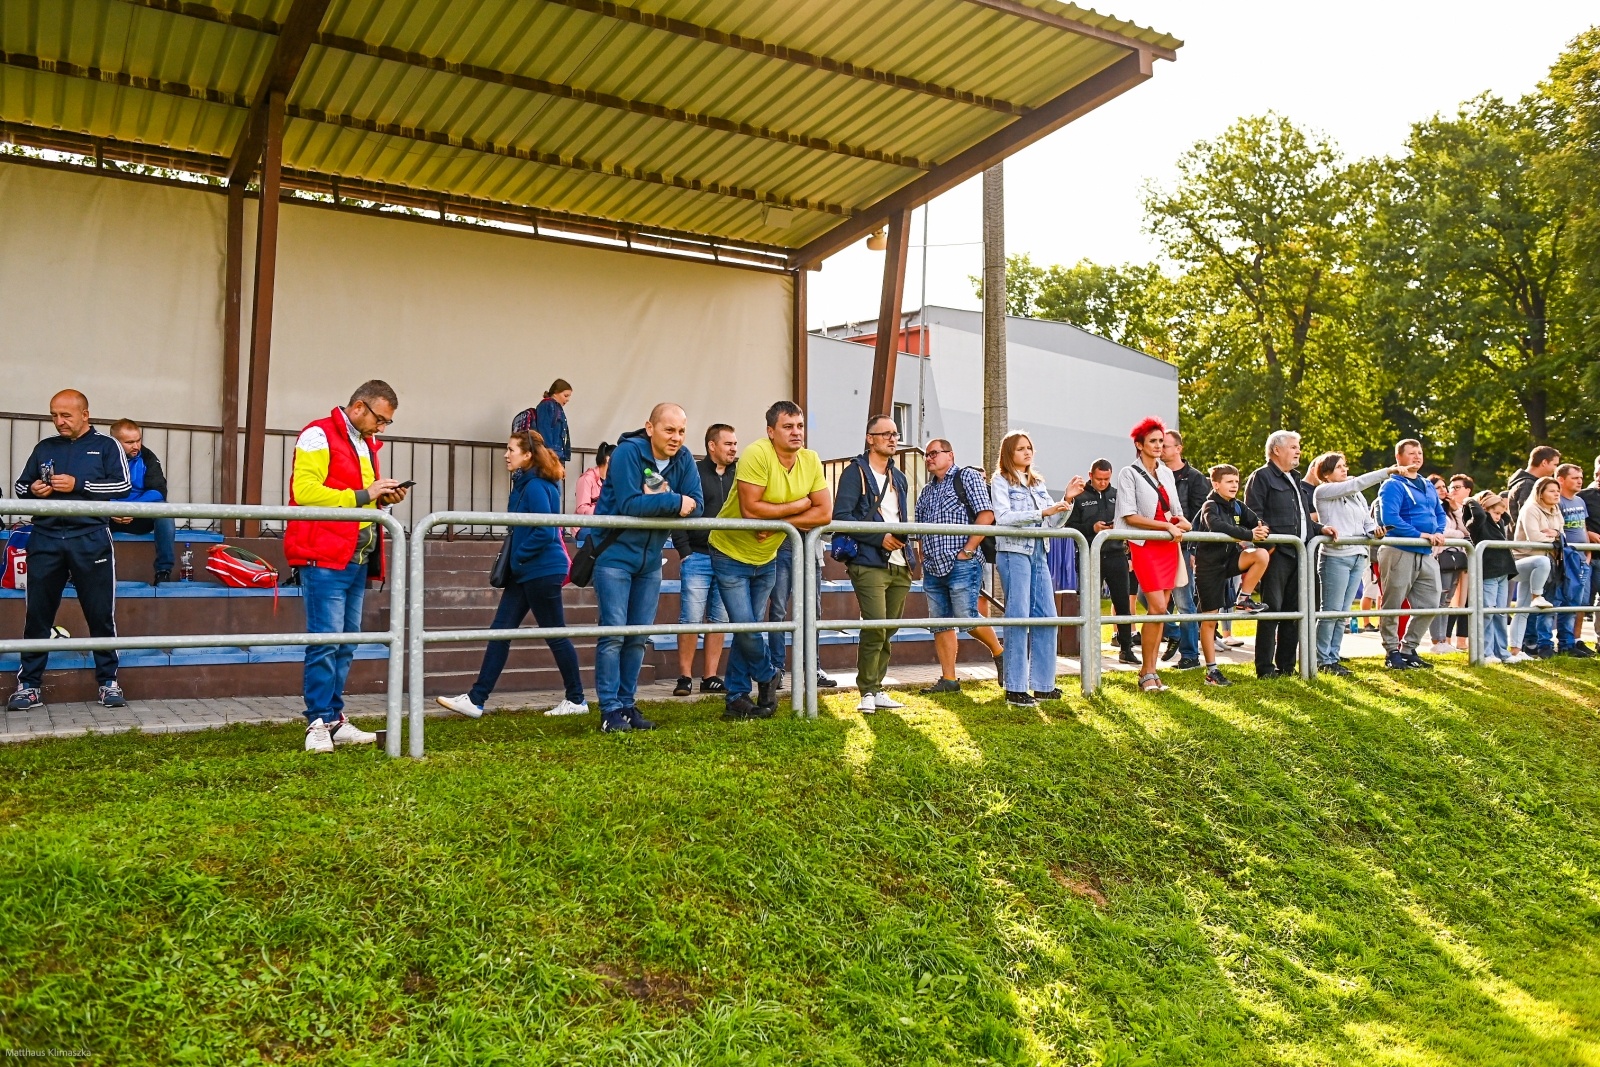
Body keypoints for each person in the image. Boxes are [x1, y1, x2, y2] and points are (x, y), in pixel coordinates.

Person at [285, 380, 407, 752]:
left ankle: (333, 717)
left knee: (345, 642)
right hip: (324, 555)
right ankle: (317, 722)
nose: (382, 428)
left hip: (357, 556)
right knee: (326, 642)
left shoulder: (364, 443)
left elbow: (360, 501)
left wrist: (383, 499)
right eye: (381, 420)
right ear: (359, 407)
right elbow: (304, 492)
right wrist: (364, 495)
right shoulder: (316, 434)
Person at [436, 430, 588, 720]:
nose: (506, 454)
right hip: (527, 571)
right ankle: (476, 699)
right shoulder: (528, 484)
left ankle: (577, 698)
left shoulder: (534, 486)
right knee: (501, 632)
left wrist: (518, 556)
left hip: (539, 570)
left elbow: (544, 530)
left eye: (511, 450)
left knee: (555, 634)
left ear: (528, 455)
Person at [7, 389, 132, 713]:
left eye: (66, 415)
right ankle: (29, 686)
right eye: (54, 415)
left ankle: (108, 682)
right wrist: (33, 490)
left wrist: (79, 484)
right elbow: (21, 486)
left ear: (85, 415)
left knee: (100, 613)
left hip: (90, 536)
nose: (59, 421)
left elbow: (122, 486)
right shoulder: (44, 447)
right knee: (37, 615)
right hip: (45, 536)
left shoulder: (107, 446)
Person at [710, 401, 832, 719]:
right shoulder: (757, 453)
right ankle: (768, 674)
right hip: (730, 553)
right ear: (770, 431)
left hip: (767, 556)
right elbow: (752, 509)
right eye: (788, 426)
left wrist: (782, 522)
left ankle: (737, 698)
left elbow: (825, 512)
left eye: (800, 426)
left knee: (747, 628)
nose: (796, 432)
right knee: (746, 625)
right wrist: (801, 505)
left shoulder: (810, 459)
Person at [587, 403, 703, 733]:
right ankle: (609, 710)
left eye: (681, 431)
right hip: (614, 558)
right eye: (669, 430)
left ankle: (627, 705)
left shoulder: (683, 459)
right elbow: (628, 505)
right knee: (613, 634)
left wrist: (669, 501)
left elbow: (699, 506)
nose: (676, 438)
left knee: (638, 636)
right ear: (650, 428)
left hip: (651, 561)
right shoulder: (627, 453)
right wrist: (674, 501)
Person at [833, 415, 917, 714]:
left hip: (900, 563)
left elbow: (901, 519)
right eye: (886, 434)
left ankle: (877, 687)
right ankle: (867, 689)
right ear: (870, 438)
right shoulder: (855, 473)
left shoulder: (900, 477)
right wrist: (879, 538)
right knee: (876, 626)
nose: (893, 439)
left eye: (896, 434)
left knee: (888, 628)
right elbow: (842, 516)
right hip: (868, 562)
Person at [993, 431, 1078, 705]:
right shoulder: (1000, 480)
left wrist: (1066, 500)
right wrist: (1043, 513)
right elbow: (1003, 518)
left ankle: (1043, 684)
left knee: (1047, 617)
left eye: (1029, 448)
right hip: (1014, 552)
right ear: (1009, 453)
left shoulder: (1037, 483)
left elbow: (1052, 524)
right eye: (1020, 449)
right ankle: (1015, 687)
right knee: (1018, 617)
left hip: (1040, 551)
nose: (1027, 452)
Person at [914, 439, 1004, 694]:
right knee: (940, 623)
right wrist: (923, 556)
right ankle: (949, 679)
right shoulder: (926, 491)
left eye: (934, 453)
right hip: (933, 566)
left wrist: (968, 549)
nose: (929, 458)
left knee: (966, 617)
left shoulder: (967, 477)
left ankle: (1000, 652)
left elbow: (986, 514)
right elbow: (919, 528)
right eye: (927, 455)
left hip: (962, 561)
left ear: (950, 455)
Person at [1244, 430, 1331, 679]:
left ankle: (1286, 667)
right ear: (1276, 450)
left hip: (1301, 555)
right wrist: (1265, 542)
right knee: (1272, 611)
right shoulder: (1260, 477)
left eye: (1298, 446)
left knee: (1294, 613)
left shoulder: (1295, 479)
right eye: (1293, 446)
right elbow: (1250, 514)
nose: (1298, 451)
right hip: (1276, 554)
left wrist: (1321, 528)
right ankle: (1265, 669)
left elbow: (1303, 519)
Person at [1310, 451, 1400, 675]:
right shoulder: (1323, 491)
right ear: (1326, 474)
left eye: (1345, 466)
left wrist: (1375, 531)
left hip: (1358, 556)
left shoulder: (1357, 496)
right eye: (1339, 467)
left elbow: (1367, 523)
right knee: (1330, 610)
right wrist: (1387, 471)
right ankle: (1322, 659)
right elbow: (1355, 484)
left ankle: (1333, 656)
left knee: (1343, 612)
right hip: (1336, 557)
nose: (1345, 470)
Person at [1115, 418, 1187, 693]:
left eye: (1161, 441)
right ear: (1139, 445)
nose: (1159, 446)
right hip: (1145, 543)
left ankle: (1151, 671)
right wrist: (1166, 526)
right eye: (1153, 441)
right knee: (1156, 606)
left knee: (1161, 612)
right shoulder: (1128, 473)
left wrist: (1181, 523)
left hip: (1169, 543)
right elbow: (1130, 515)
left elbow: (1175, 510)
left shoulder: (1167, 473)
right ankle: (1146, 672)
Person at [670, 425, 738, 695]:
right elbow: (678, 511)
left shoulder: (740, 474)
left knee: (719, 620)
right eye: (728, 443)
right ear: (712, 446)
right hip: (696, 555)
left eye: (735, 443)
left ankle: (710, 676)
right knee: (691, 619)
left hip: (728, 557)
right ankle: (684, 677)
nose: (734, 448)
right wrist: (684, 551)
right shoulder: (693, 472)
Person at [1192, 465, 1270, 686]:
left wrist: (1263, 530)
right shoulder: (1210, 505)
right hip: (1208, 568)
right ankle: (1211, 671)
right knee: (1210, 620)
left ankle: (1243, 598)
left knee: (1261, 554)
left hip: (1229, 561)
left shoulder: (1238, 506)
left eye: (1236, 481)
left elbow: (1257, 522)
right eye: (1229, 482)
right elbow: (1217, 525)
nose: (1234, 485)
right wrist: (1248, 534)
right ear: (1216, 484)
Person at [1374, 439, 1446, 671]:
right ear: (1399, 458)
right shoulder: (1392, 485)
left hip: (1425, 553)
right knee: (1393, 603)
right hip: (1399, 550)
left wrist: (1438, 532)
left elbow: (1439, 513)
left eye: (1420, 453)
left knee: (1432, 602)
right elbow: (1391, 519)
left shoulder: (1426, 484)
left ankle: (1408, 649)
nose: (1417, 457)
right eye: (1412, 453)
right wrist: (1421, 534)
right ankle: (1391, 651)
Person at [1064, 459, 1137, 665]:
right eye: (1099, 479)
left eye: (1106, 479)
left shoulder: (1118, 495)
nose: (1103, 483)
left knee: (1123, 602)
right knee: (1089, 603)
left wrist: (1128, 553)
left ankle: (1126, 648)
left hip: (1116, 555)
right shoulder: (1079, 496)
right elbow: (1068, 525)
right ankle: (1089, 647)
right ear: (1090, 475)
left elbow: (1129, 522)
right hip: (1089, 555)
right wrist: (1092, 527)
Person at [1159, 430, 1207, 669]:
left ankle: (1190, 655)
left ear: (1179, 448)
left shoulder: (1195, 478)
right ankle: (1175, 632)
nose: (1160, 449)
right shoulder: (1155, 475)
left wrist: (1195, 550)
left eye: (1165, 445)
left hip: (1184, 547)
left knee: (1184, 601)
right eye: (1157, 444)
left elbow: (1200, 517)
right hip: (1158, 546)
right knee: (1148, 597)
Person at [107, 419, 176, 585]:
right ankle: (76, 572)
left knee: (165, 511)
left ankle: (163, 572)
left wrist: (131, 508)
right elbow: (90, 491)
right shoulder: (102, 456)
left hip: (139, 515)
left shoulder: (147, 456)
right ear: (115, 442)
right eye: (129, 442)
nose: (136, 446)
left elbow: (159, 491)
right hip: (107, 515)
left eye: (138, 440)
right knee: (81, 513)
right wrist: (111, 508)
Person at [1510, 477, 1563, 658]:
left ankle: (1515, 651)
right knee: (1542, 561)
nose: (1556, 494)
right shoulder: (1530, 509)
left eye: (1558, 490)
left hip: (1540, 566)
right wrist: (1555, 539)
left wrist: (1555, 534)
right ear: (1540, 493)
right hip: (1522, 561)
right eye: (1551, 491)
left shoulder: (1556, 510)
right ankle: (1537, 596)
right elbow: (1534, 537)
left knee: (1522, 610)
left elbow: (1562, 534)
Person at [1426, 475, 1474, 654]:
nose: (1444, 490)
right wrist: (1459, 535)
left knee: (1447, 601)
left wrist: (1456, 510)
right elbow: (1439, 531)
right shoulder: (1429, 507)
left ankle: (1444, 639)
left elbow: (1467, 530)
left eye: (1444, 486)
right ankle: (1437, 640)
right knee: (1439, 598)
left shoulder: (1450, 509)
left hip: (1456, 558)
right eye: (1438, 487)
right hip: (1440, 556)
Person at [1467, 490, 1517, 663]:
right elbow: (1479, 515)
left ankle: (1501, 651)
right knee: (1488, 611)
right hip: (1489, 571)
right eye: (1495, 513)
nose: (1499, 517)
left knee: (1500, 613)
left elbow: (1508, 518)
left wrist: (1499, 505)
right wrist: (1470, 500)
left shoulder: (1499, 522)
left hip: (1502, 571)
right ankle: (1486, 651)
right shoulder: (1477, 523)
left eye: (1500, 513)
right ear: (1485, 509)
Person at [1554, 463, 1598, 658]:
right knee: (1571, 601)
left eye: (1581, 477)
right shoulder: (1563, 501)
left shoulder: (1579, 501)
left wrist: (1587, 552)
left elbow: (1582, 525)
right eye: (1575, 477)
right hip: (1570, 557)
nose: (1580, 481)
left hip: (1584, 556)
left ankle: (1574, 642)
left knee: (1580, 601)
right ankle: (1568, 641)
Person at [513, 378, 572, 462]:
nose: (567, 399)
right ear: (555, 393)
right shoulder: (547, 405)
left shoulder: (556, 407)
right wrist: (549, 451)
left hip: (556, 453)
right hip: (551, 454)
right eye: (565, 396)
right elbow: (544, 429)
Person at [1506, 445, 1560, 517]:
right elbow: (1528, 517)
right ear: (1544, 462)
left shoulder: (1528, 483)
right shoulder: (1527, 485)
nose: (1556, 469)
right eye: (1555, 464)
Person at [571, 441, 612, 536]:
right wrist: (604, 510)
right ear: (608, 459)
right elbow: (582, 509)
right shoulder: (586, 479)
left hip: (605, 524)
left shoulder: (613, 479)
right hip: (584, 526)